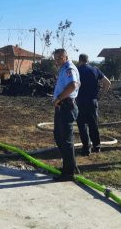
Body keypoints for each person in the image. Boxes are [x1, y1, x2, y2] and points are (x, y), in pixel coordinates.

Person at [52, 49, 80, 181]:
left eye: (59, 58)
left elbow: (73, 85)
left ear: (66, 56)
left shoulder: (69, 68)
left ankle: (68, 173)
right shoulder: (64, 68)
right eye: (55, 58)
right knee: (59, 136)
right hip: (62, 107)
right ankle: (70, 166)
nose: (56, 60)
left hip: (66, 106)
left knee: (65, 140)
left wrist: (59, 98)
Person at [76, 54, 111, 156]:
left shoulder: (77, 70)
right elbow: (107, 83)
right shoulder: (95, 69)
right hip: (93, 101)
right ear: (88, 60)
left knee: (82, 125)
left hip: (81, 101)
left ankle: (86, 148)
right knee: (93, 124)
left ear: (79, 60)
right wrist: (100, 96)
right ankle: (97, 146)